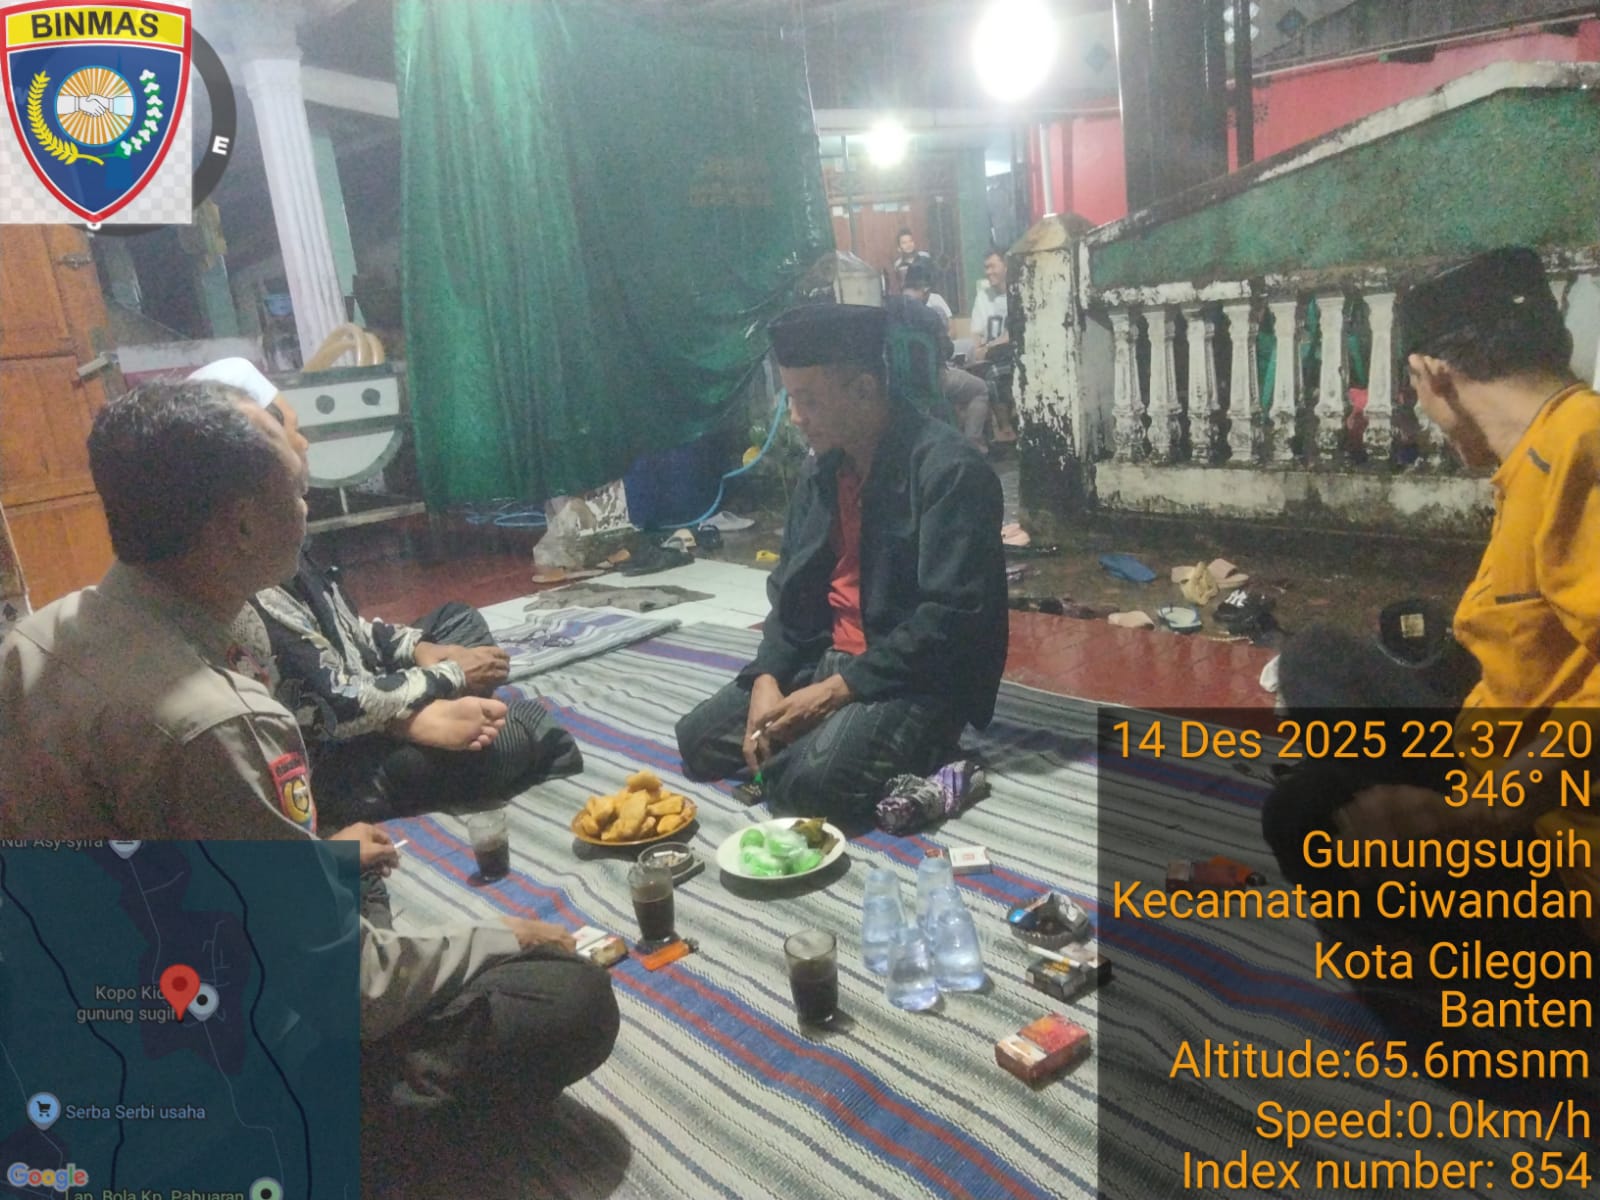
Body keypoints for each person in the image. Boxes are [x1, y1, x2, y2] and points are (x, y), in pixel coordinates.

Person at [0, 379, 618, 1121]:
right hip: (176, 1069)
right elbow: (343, 989)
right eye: (294, 492)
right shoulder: (215, 722)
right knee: (569, 997)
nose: (306, 506)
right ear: (240, 526)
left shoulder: (37, 637)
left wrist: (315, 859)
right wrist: (501, 936)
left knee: (353, 875)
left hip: (68, 1007)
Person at [1262, 246, 1598, 943]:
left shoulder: (1577, 451)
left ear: (1432, 374)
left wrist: (1478, 816)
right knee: (1319, 654)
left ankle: (1460, 978)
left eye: (1413, 387)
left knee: (1301, 816)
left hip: (1545, 830)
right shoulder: (1544, 446)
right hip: (1495, 749)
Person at [186, 359, 583, 831]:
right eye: (294, 429)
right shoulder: (244, 577)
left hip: (362, 695)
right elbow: (332, 701)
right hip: (336, 758)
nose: (305, 443)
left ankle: (431, 717)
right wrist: (442, 685)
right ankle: (440, 729)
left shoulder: (278, 526)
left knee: (457, 621)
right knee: (517, 734)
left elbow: (346, 629)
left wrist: (421, 651)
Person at [675, 304, 1008, 826]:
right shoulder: (822, 470)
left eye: (808, 400)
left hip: (911, 675)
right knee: (698, 742)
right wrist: (768, 676)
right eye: (791, 399)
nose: (796, 417)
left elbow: (951, 620)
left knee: (809, 789)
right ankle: (824, 741)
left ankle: (914, 746)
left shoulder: (949, 471)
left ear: (864, 390)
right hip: (824, 657)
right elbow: (790, 590)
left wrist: (834, 694)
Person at [969, 251, 1017, 443]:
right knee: (974, 372)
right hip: (989, 355)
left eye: (992, 266)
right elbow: (976, 332)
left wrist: (987, 347)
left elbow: (1012, 333)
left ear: (1005, 266)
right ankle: (981, 438)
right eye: (986, 267)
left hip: (1012, 353)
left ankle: (1005, 428)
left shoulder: (1016, 294)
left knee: (994, 374)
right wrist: (976, 351)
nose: (988, 272)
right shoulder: (983, 296)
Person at [890, 227, 932, 293]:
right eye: (904, 243)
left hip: (928, 294)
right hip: (909, 297)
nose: (908, 245)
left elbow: (932, 278)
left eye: (910, 241)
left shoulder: (924, 256)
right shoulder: (898, 265)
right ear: (899, 248)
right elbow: (900, 284)